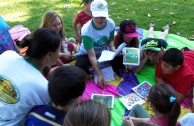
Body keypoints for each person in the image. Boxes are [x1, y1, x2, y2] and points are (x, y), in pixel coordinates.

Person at [0, 28, 61, 125]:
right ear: (49, 55)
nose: (59, 54)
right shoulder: (43, 87)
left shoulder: (8, 54)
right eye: (59, 50)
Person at [75, 0, 116, 88]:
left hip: (103, 52)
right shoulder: (86, 30)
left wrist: (113, 49)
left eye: (102, 16)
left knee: (119, 58)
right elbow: (91, 55)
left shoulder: (111, 23)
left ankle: (92, 70)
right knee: (80, 64)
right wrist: (100, 74)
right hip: (87, 53)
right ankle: (93, 71)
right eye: (96, 16)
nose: (99, 20)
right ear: (91, 14)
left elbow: (111, 40)